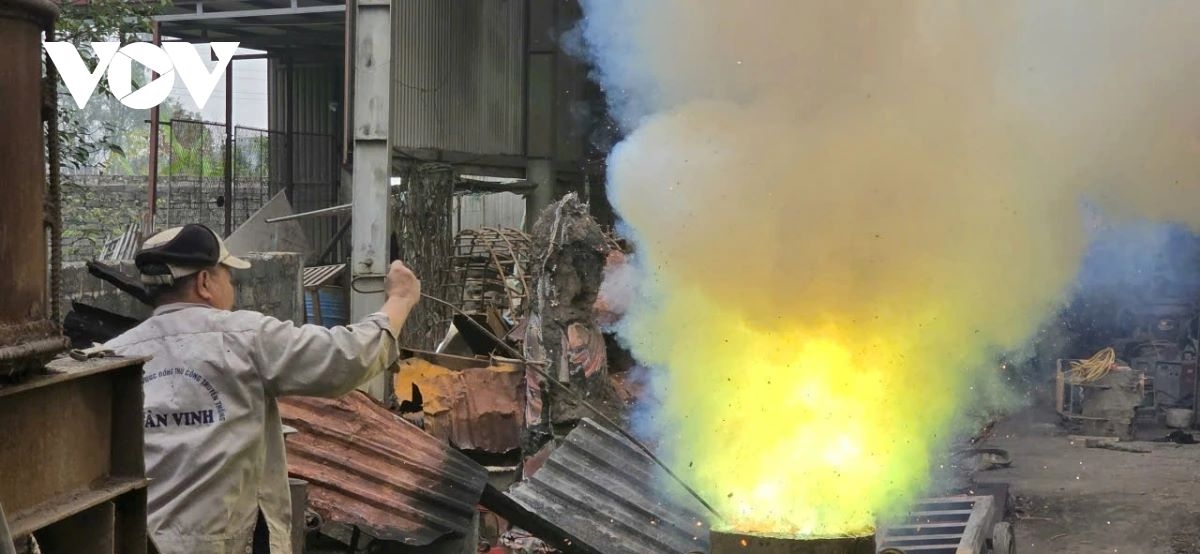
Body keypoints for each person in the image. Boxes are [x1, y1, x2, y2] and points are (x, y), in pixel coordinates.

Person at [105, 224, 420, 554]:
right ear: (204, 282)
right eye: (229, 277)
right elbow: (348, 356)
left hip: (137, 543)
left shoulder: (114, 355)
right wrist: (400, 299)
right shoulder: (245, 338)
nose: (232, 288)